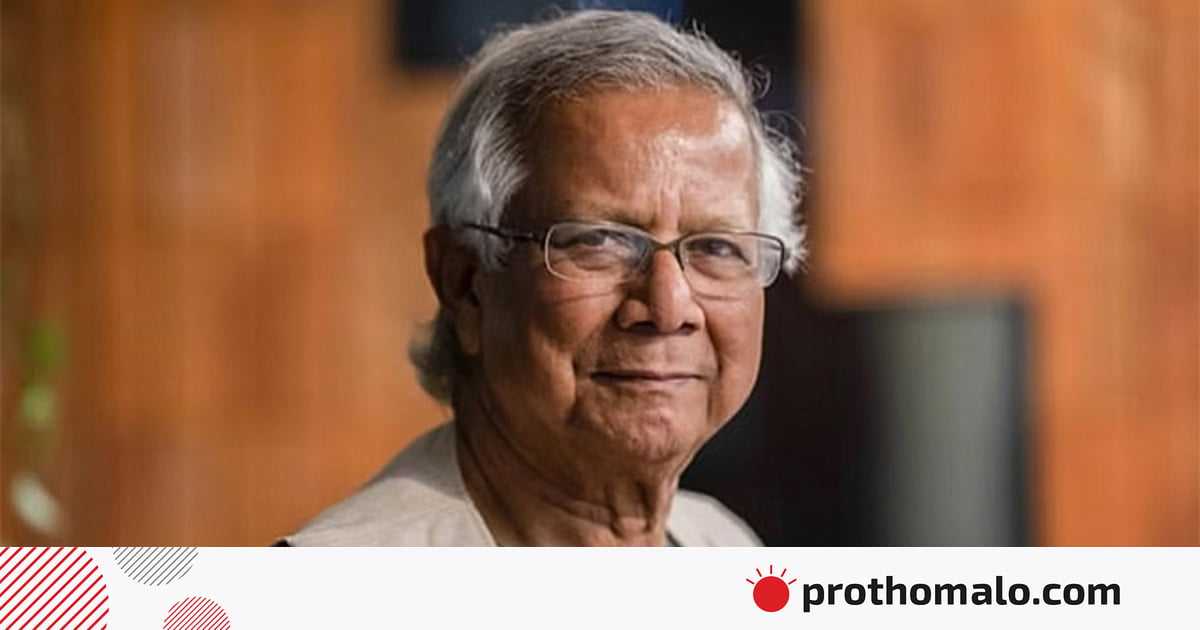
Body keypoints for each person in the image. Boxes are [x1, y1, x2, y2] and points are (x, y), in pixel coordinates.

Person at [281, 9, 805, 547]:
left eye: (716, 248)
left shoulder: (724, 543)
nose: (669, 307)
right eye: (599, 241)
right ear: (465, 283)